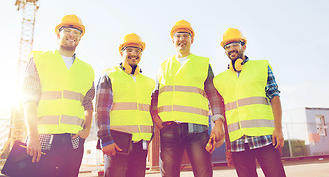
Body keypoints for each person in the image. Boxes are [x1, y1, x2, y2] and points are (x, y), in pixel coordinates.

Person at [22, 14, 95, 177]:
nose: (72, 35)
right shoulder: (39, 59)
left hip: (73, 142)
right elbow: (29, 100)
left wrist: (87, 129)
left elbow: (88, 102)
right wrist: (32, 135)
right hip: (43, 139)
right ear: (58, 34)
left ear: (80, 38)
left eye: (77, 32)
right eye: (68, 30)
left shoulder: (87, 69)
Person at [151, 20, 225, 177]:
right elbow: (155, 95)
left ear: (192, 40)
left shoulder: (203, 64)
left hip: (197, 130)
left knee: (203, 174)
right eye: (178, 36)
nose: (182, 39)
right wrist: (154, 116)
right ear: (173, 40)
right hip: (169, 129)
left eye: (186, 35)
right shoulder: (163, 66)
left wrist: (218, 122)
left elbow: (214, 95)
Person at [213, 28, 286, 177]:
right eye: (227, 46)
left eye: (235, 44)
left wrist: (278, 129)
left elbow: (275, 97)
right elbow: (225, 114)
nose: (231, 49)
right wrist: (228, 147)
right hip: (238, 142)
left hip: (265, 137)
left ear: (243, 46)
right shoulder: (219, 80)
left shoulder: (262, 67)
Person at [96, 33, 155, 177]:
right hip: (117, 144)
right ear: (121, 52)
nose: (134, 54)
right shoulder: (109, 76)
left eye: (138, 50)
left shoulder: (148, 82)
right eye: (129, 50)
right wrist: (106, 139)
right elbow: (101, 110)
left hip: (141, 144)